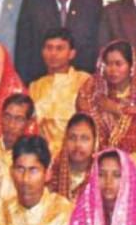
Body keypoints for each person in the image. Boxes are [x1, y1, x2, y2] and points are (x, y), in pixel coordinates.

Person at [15, 0, 103, 84]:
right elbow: (23, 49)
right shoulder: (33, 1)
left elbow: (96, 50)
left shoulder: (92, 4)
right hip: (40, 83)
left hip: (80, 84)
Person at [76, 40, 136, 154]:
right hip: (98, 155)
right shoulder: (93, 89)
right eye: (108, 64)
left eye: (118, 64)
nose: (113, 70)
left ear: (131, 65)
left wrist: (117, 109)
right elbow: (84, 118)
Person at [28, 28, 91, 157]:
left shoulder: (85, 81)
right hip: (43, 156)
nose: (53, 53)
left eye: (59, 48)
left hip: (76, 153)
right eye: (49, 48)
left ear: (72, 53)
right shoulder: (35, 87)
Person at [47, 112, 97, 202]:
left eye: (84, 138)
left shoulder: (100, 175)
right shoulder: (52, 170)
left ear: (95, 142)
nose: (78, 144)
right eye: (72, 138)